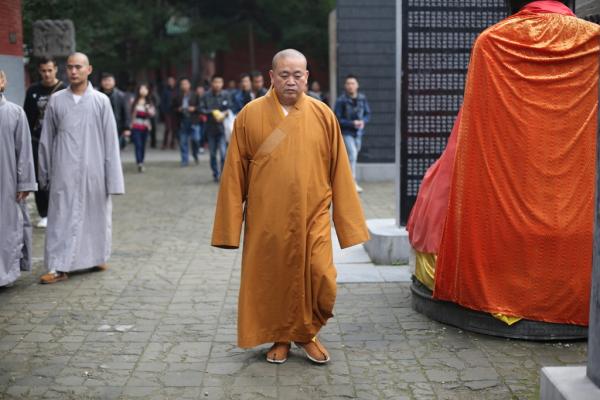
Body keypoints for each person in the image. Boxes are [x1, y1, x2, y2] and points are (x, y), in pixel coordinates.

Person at [407, 0, 599, 327]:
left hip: (506, 213)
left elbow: (477, 130)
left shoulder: (494, 40)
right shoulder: (593, 40)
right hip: (580, 209)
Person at [211, 49, 369, 364]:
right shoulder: (250, 115)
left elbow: (340, 172)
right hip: (267, 218)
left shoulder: (323, 115)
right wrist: (230, 228)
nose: (291, 81)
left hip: (313, 216)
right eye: (284, 75)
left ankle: (307, 331)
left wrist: (348, 225)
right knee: (274, 279)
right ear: (271, 77)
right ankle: (283, 337)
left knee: (321, 276)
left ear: (307, 77)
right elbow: (233, 176)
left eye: (298, 75)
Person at [38, 52, 125, 284]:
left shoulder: (100, 101)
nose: (73, 71)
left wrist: (113, 179)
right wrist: (43, 173)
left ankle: (95, 257)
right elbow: (46, 139)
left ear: (89, 69)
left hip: (94, 170)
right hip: (63, 170)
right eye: (69, 67)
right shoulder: (56, 101)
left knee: (95, 216)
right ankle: (58, 266)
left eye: (78, 67)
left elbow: (110, 141)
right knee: (61, 217)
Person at [0, 70, 37, 287]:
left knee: (9, 227)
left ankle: (5, 274)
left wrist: (24, 182)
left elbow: (24, 151)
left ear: (3, 81)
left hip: (7, 182)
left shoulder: (15, 113)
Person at [23, 57, 66, 229]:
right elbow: (27, 117)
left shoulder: (64, 90)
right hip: (37, 140)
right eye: (43, 71)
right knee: (40, 178)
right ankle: (45, 213)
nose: (47, 74)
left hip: (60, 141)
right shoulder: (33, 90)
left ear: (55, 69)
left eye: (50, 70)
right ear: (40, 71)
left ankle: (61, 211)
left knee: (61, 176)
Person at [334, 75, 371, 193]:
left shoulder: (362, 98)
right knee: (353, 155)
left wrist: (363, 122)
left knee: (352, 157)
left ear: (357, 85)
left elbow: (367, 113)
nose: (351, 86)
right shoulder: (341, 100)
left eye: (353, 83)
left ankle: (345, 181)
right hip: (346, 132)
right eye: (348, 83)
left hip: (359, 132)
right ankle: (351, 183)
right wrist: (352, 123)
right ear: (345, 86)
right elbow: (337, 118)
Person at [199, 76, 231, 181]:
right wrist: (213, 112)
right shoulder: (205, 95)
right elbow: (201, 109)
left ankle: (223, 174)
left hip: (222, 129)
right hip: (210, 129)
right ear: (212, 83)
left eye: (220, 82)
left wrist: (224, 114)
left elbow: (230, 108)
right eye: (215, 82)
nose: (217, 84)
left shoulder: (226, 94)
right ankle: (215, 173)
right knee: (212, 154)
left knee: (223, 154)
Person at [99, 73, 131, 149]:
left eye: (109, 80)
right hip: (100, 127)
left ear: (114, 82)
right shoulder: (96, 96)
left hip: (117, 127)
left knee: (115, 149)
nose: (107, 82)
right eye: (105, 80)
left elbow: (126, 113)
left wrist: (127, 128)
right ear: (101, 82)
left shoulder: (121, 95)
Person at [173, 78, 200, 166]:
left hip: (193, 121)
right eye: (182, 84)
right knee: (183, 142)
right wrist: (178, 109)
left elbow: (200, 107)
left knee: (196, 139)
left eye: (186, 84)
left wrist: (194, 108)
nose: (184, 86)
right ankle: (184, 160)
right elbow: (172, 108)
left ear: (189, 85)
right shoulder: (177, 96)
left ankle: (195, 153)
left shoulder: (195, 95)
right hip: (182, 121)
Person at [130, 83, 156, 172]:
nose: (143, 91)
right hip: (136, 126)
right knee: (138, 144)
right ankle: (139, 162)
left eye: (145, 89)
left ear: (148, 91)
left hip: (145, 127)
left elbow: (152, 114)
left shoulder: (150, 102)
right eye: (141, 89)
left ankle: (141, 161)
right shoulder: (133, 101)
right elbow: (130, 114)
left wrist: (147, 108)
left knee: (143, 145)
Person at [160, 76, 178, 150]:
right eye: (169, 81)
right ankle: (164, 143)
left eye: (172, 81)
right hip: (167, 112)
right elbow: (162, 102)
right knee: (167, 128)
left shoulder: (177, 90)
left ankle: (172, 143)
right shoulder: (165, 91)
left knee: (174, 128)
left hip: (175, 111)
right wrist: (163, 111)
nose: (170, 82)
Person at [194, 85, 206, 154]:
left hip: (204, 118)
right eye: (198, 90)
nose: (200, 92)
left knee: (202, 133)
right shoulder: (194, 98)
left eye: (201, 90)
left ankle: (201, 146)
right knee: (197, 134)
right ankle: (198, 147)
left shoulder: (205, 98)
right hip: (196, 118)